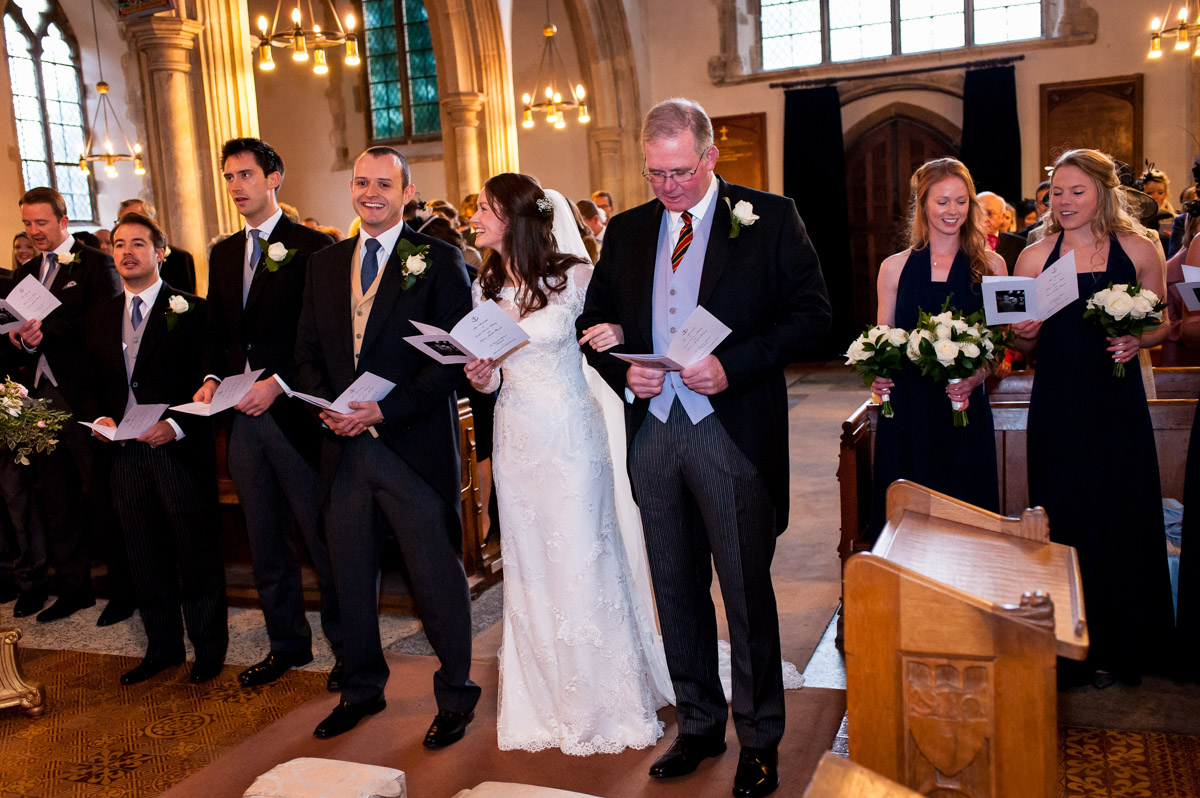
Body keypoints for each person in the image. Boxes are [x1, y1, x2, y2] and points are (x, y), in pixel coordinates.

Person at [578, 98, 830, 798]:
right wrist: (618, 368)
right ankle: (696, 724)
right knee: (675, 586)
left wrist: (736, 366)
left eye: (681, 172)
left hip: (731, 431)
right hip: (654, 432)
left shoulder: (768, 218)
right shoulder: (627, 232)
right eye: (656, 173)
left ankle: (759, 739)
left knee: (747, 593)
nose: (668, 187)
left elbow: (814, 315)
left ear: (711, 157)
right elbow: (594, 321)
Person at [463, 176, 671, 755]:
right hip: (515, 432)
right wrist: (482, 375)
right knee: (528, 561)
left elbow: (614, 335)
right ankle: (545, 699)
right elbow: (498, 369)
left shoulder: (572, 276)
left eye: (485, 208)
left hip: (569, 433)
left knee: (582, 553)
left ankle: (609, 698)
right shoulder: (485, 286)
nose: (475, 217)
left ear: (515, 217)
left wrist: (622, 331)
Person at [294, 146, 480, 743]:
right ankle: (361, 688)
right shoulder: (325, 264)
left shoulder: (439, 259)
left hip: (411, 445)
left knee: (435, 577)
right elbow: (307, 354)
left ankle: (456, 693)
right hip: (344, 448)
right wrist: (329, 407)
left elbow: (450, 360)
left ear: (406, 192)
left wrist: (385, 409)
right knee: (349, 574)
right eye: (361, 182)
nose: (370, 193)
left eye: (383, 183)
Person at [1012, 148, 1174, 688]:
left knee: (1122, 516)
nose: (1064, 201)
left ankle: (1124, 646)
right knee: (1066, 517)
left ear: (1103, 192)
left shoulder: (1139, 247)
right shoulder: (1034, 258)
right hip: (1059, 405)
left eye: (1076, 191)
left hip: (1117, 403)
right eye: (1057, 191)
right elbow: (1019, 339)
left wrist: (1137, 337)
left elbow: (1163, 323)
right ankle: (1067, 651)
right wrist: (1025, 334)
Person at [194, 137, 342, 691]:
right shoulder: (224, 252)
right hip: (241, 420)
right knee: (264, 540)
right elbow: (218, 335)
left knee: (320, 538)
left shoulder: (313, 246)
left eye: (246, 175)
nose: (236, 186)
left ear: (274, 177)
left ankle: (348, 650)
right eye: (229, 176)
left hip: (293, 417)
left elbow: (319, 334)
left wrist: (278, 384)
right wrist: (212, 379)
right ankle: (287, 645)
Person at [78, 212, 226, 685]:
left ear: (159, 252)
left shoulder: (193, 309)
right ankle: (162, 647)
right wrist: (99, 417)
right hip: (123, 454)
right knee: (143, 554)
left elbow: (210, 379)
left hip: (176, 450)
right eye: (119, 244)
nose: (126, 252)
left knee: (195, 551)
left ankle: (208, 648)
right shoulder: (99, 316)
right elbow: (88, 384)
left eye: (138, 243)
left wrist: (177, 426)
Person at [868, 158, 1005, 539]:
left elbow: (999, 344)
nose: (952, 211)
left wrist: (979, 374)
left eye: (961, 201)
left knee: (965, 509)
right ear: (923, 204)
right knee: (908, 515)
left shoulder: (991, 265)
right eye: (942, 201)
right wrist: (878, 373)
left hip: (963, 406)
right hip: (908, 412)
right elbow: (885, 340)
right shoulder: (893, 268)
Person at [13, 187, 122, 623]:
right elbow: (21, 325)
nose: (34, 231)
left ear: (63, 220)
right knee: (56, 496)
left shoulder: (95, 263)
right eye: (27, 224)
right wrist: (22, 339)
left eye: (41, 222)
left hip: (82, 394)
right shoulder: (27, 271)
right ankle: (73, 587)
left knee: (100, 492)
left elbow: (103, 326)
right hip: (40, 395)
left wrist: (49, 333)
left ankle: (121, 586)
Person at [118, 199, 197, 294]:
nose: (127, 226)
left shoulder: (180, 258)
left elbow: (186, 301)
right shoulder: (118, 258)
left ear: (153, 223)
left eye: (135, 220)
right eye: (121, 222)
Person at [977, 191, 1022, 272]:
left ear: (1002, 217)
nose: (984, 218)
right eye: (979, 213)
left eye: (989, 213)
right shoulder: (961, 243)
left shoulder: (1019, 245)